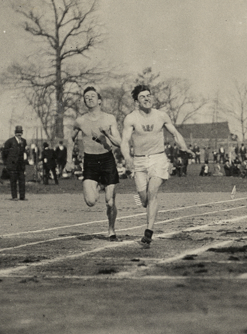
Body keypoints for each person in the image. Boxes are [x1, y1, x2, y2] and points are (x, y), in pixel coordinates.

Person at [120, 84, 192, 247]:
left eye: (149, 95)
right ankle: (145, 205)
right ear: (137, 101)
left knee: (152, 192)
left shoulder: (161, 115)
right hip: (139, 162)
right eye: (142, 96)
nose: (147, 98)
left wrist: (184, 147)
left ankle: (148, 232)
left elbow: (175, 133)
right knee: (144, 199)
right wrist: (127, 157)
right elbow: (124, 141)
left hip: (158, 160)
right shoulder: (131, 118)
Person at [72, 86, 122, 239]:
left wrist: (106, 133)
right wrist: (68, 160)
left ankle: (111, 229)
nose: (89, 98)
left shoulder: (109, 118)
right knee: (90, 201)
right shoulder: (80, 121)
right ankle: (98, 186)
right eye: (86, 97)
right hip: (90, 161)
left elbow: (119, 142)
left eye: (92, 96)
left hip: (107, 160)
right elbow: (70, 139)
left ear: (99, 100)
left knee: (110, 202)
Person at [2, 125, 28, 200]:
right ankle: (14, 196)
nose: (19, 134)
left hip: (21, 164)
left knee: (22, 180)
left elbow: (25, 152)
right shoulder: (9, 141)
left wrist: (25, 161)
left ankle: (22, 196)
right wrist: (6, 162)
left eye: (20, 132)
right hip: (12, 164)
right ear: (15, 133)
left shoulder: (24, 141)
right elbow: (4, 153)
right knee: (13, 181)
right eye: (17, 132)